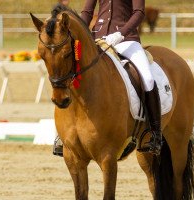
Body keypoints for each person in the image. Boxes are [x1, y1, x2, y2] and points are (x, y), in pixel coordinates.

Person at [53, 0, 162, 156]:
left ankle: (155, 133)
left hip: (126, 40)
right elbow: (87, 12)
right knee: (70, 71)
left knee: (147, 78)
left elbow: (139, 12)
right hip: (98, 38)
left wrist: (121, 33)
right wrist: (77, 33)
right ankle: (62, 134)